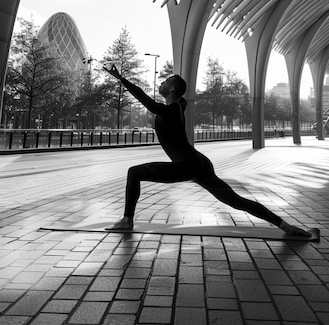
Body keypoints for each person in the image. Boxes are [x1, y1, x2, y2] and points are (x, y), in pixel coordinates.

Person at [104, 65, 311, 237]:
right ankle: (285, 225)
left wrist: (122, 79)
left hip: (187, 164)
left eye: (166, 81)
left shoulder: (173, 109)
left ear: (173, 89)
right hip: (197, 163)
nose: (161, 82)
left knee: (134, 172)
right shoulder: (179, 106)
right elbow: (169, 101)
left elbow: (147, 102)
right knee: (236, 200)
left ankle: (127, 220)